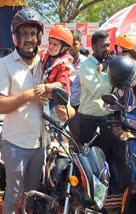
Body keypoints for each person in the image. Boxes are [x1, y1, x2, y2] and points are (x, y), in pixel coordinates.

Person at [0, 8, 49, 213]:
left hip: (40, 144)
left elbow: (61, 90)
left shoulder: (46, 64)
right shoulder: (5, 64)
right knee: (12, 196)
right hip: (14, 144)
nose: (29, 39)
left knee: (32, 196)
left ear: (39, 37)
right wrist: (28, 96)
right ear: (16, 37)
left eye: (33, 34)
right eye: (24, 34)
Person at [77, 30, 120, 212]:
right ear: (93, 47)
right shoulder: (85, 66)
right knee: (90, 166)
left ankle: (104, 205)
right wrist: (113, 76)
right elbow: (98, 90)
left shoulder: (111, 64)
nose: (107, 49)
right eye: (104, 46)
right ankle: (88, 203)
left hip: (107, 120)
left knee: (106, 164)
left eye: (109, 45)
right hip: (88, 122)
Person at [68, 29, 87, 142]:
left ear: (80, 44)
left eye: (74, 44)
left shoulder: (87, 64)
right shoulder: (61, 62)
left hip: (79, 109)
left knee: (77, 141)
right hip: (62, 108)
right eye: (69, 44)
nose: (71, 47)